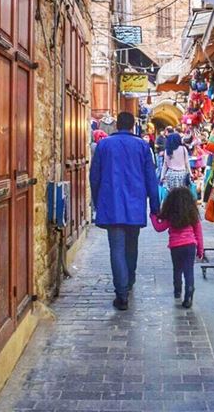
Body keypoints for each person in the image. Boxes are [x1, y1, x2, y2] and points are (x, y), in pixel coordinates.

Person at [90, 111, 160, 311]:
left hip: (112, 205)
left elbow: (94, 177)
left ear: (117, 125)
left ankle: (121, 294)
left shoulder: (104, 146)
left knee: (117, 248)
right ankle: (129, 280)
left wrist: (97, 202)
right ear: (132, 126)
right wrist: (155, 206)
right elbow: (150, 179)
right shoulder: (142, 146)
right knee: (131, 245)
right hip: (135, 205)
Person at [150, 187, 204, 308]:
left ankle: (177, 290)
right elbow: (199, 233)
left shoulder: (171, 217)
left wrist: (153, 216)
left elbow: (159, 228)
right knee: (188, 270)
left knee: (177, 269)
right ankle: (189, 293)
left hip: (176, 247)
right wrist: (200, 249)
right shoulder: (192, 216)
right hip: (190, 245)